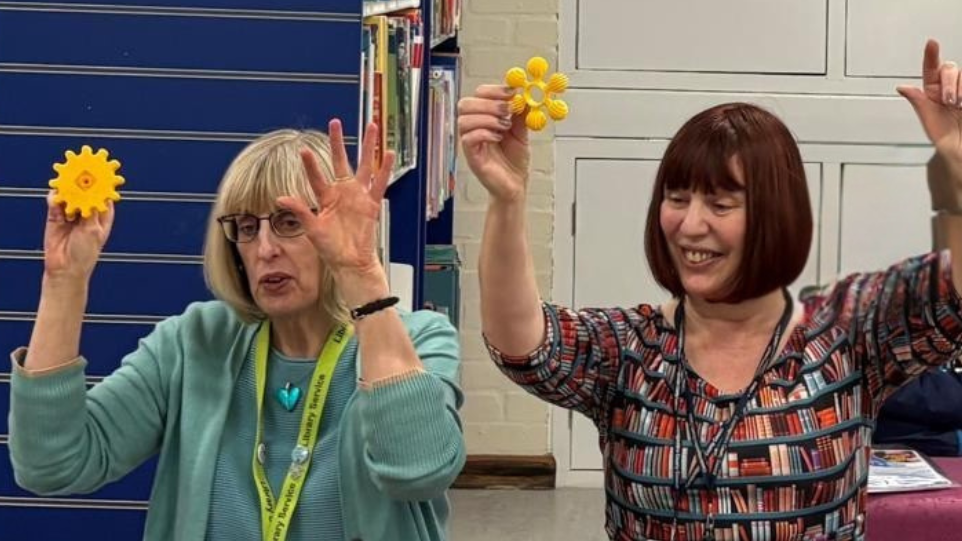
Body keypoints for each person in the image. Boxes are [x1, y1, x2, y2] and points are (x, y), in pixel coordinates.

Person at [458, 38, 962, 541]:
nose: (690, 225)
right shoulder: (628, 349)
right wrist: (508, 197)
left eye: (721, 205)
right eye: (677, 198)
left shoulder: (848, 334)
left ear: (775, 216)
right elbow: (523, 341)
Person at [8, 119, 466, 541]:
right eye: (247, 227)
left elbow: (418, 470)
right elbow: (52, 464)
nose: (264, 248)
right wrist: (64, 282)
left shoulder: (421, 339)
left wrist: (362, 277)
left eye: (289, 223)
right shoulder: (195, 343)